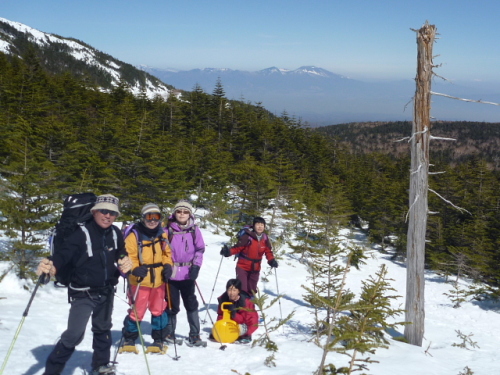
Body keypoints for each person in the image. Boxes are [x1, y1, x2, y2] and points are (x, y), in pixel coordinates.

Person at [37, 194, 132, 375]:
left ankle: (101, 365)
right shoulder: (80, 233)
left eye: (113, 213)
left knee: (103, 328)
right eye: (103, 211)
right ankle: (52, 370)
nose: (108, 216)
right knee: (74, 334)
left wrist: (123, 259)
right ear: (94, 211)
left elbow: (120, 251)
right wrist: (51, 264)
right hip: (83, 292)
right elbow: (65, 253)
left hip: (106, 289)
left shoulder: (115, 232)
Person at [120, 203, 173, 351]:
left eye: (156, 217)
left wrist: (168, 266)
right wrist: (135, 269)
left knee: (158, 310)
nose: (152, 220)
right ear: (143, 218)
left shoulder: (162, 234)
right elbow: (129, 256)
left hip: (159, 280)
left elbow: (167, 254)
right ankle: (129, 339)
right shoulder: (134, 236)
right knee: (137, 310)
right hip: (140, 281)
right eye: (149, 216)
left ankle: (159, 340)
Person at [164, 199, 206, 347]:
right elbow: (163, 251)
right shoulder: (167, 230)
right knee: (171, 304)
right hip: (172, 273)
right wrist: (166, 266)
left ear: (190, 214)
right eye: (179, 211)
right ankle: (169, 333)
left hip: (188, 273)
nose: (182, 214)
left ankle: (194, 335)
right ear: (174, 213)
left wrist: (196, 266)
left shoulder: (194, 230)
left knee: (191, 303)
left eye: (185, 211)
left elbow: (200, 250)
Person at [220, 217, 278, 296]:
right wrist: (228, 252)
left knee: (252, 290)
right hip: (242, 267)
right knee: (242, 289)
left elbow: (268, 251)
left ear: (264, 227)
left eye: (262, 225)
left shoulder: (265, 238)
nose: (260, 227)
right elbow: (238, 248)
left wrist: (271, 260)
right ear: (254, 226)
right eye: (258, 224)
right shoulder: (248, 236)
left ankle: (249, 306)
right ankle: (241, 306)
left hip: (255, 268)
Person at [215, 278, 258, 344]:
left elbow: (251, 321)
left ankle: (245, 336)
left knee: (241, 328)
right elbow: (220, 315)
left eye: (234, 290)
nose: (231, 293)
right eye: (229, 290)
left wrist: (234, 313)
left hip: (244, 325)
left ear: (239, 291)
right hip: (229, 324)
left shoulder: (246, 302)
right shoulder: (223, 300)